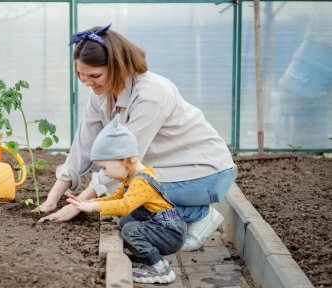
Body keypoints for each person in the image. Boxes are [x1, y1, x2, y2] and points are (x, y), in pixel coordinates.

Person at [38, 23, 238, 252]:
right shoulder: (100, 94)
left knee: (132, 202)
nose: (87, 82)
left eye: (94, 75)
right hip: (171, 170)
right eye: (81, 76)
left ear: (116, 66)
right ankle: (185, 213)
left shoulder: (151, 94)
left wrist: (80, 205)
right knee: (125, 207)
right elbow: (81, 148)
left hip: (207, 172)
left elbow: (123, 162)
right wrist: (52, 200)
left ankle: (199, 214)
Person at [66, 115, 186, 284]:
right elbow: (116, 197)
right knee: (126, 223)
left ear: (124, 159)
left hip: (170, 233)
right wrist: (92, 202)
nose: (105, 173)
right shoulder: (131, 178)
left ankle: (160, 269)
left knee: (130, 229)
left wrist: (94, 208)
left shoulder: (142, 181)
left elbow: (124, 205)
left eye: (105, 168)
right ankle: (147, 259)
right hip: (160, 228)